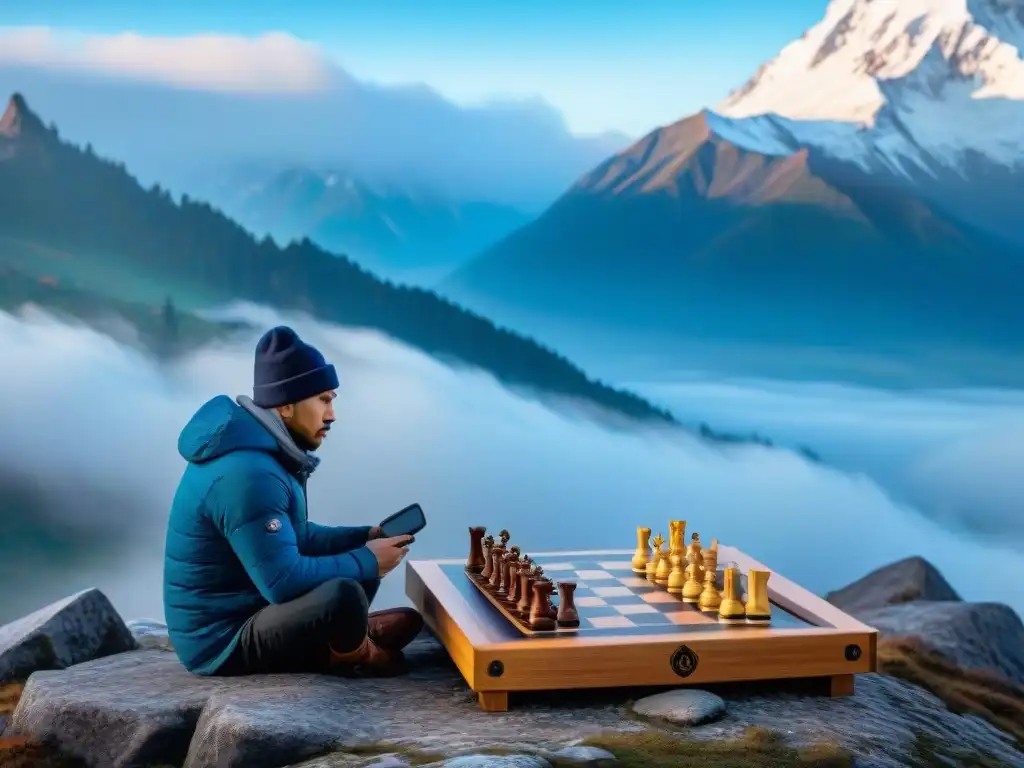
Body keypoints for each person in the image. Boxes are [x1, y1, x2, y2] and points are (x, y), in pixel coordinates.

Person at [163, 325, 423, 678]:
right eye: (323, 400)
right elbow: (283, 580)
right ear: (286, 405)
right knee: (344, 594)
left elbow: (294, 538)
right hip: (221, 641)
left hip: (253, 606)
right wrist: (366, 561)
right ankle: (355, 653)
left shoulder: (266, 455)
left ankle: (347, 635)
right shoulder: (250, 474)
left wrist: (364, 537)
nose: (332, 415)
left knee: (360, 560)